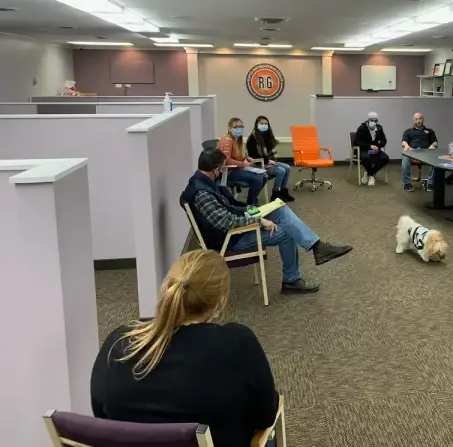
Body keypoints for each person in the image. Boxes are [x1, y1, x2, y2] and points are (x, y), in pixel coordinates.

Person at [91, 249, 280, 447]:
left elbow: (101, 416)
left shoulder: (119, 342)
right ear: (221, 300)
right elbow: (264, 417)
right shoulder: (238, 343)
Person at [181, 149, 352, 293]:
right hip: (230, 239)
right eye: (223, 168)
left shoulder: (203, 183)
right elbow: (225, 222)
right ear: (215, 169)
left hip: (234, 229)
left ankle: (317, 246)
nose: (224, 171)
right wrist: (259, 220)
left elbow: (227, 209)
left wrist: (251, 211)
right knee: (286, 233)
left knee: (279, 209)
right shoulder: (201, 193)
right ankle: (292, 280)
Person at [217, 117, 267, 206]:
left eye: (241, 126)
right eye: (236, 127)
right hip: (228, 171)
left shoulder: (238, 140)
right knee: (258, 179)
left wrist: (247, 159)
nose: (239, 129)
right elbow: (227, 160)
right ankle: (250, 205)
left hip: (238, 168)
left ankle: (253, 199)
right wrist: (243, 164)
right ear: (230, 128)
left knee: (264, 176)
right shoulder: (227, 140)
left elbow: (239, 157)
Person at [245, 115, 295, 203]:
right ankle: (275, 194)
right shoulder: (252, 138)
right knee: (281, 171)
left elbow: (271, 152)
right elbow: (254, 156)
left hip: (268, 161)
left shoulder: (267, 136)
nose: (264, 125)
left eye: (266, 124)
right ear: (257, 124)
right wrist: (269, 161)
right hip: (258, 164)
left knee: (287, 167)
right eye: (261, 123)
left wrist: (271, 161)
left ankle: (283, 192)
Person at [401, 112, 438, 192]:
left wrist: (432, 146)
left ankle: (430, 183)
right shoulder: (408, 131)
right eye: (416, 119)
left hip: (426, 152)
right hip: (412, 152)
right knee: (405, 157)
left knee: (435, 159)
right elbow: (403, 142)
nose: (418, 121)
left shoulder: (430, 131)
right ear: (413, 121)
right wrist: (407, 146)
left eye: (420, 119)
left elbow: (435, 142)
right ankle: (407, 183)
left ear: (423, 120)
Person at [353, 111, 389, 186]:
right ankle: (372, 175)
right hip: (364, 150)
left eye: (375, 121)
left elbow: (384, 140)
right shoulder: (362, 128)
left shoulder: (379, 128)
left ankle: (368, 173)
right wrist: (369, 146)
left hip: (374, 151)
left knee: (385, 158)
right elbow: (356, 141)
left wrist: (378, 146)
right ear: (368, 120)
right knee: (366, 158)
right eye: (372, 120)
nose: (374, 122)